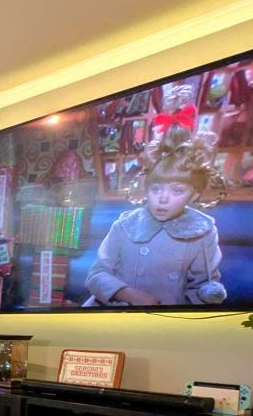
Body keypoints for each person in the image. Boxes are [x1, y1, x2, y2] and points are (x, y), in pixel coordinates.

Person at [84, 112, 226, 306]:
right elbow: (97, 275)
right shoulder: (126, 224)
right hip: (118, 311)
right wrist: (131, 295)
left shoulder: (202, 231)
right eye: (156, 189)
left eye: (177, 190)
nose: (163, 199)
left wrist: (205, 297)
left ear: (194, 195)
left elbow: (204, 285)